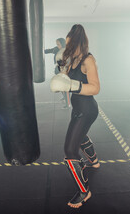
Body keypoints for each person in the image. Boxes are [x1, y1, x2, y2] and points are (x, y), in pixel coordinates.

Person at [50, 24, 100, 208]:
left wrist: (72, 86)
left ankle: (84, 191)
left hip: (87, 109)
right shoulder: (72, 59)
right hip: (78, 109)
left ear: (79, 42)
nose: (69, 46)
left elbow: (95, 87)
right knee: (80, 136)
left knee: (70, 150)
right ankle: (94, 161)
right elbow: (64, 79)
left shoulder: (88, 60)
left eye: (71, 42)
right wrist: (61, 75)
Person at [45, 38, 71, 108]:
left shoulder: (67, 51)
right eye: (57, 44)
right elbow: (49, 50)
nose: (57, 46)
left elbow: (69, 61)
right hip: (58, 69)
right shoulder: (56, 49)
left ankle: (68, 103)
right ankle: (65, 97)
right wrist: (40, 51)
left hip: (65, 70)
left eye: (59, 44)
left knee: (65, 87)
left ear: (62, 44)